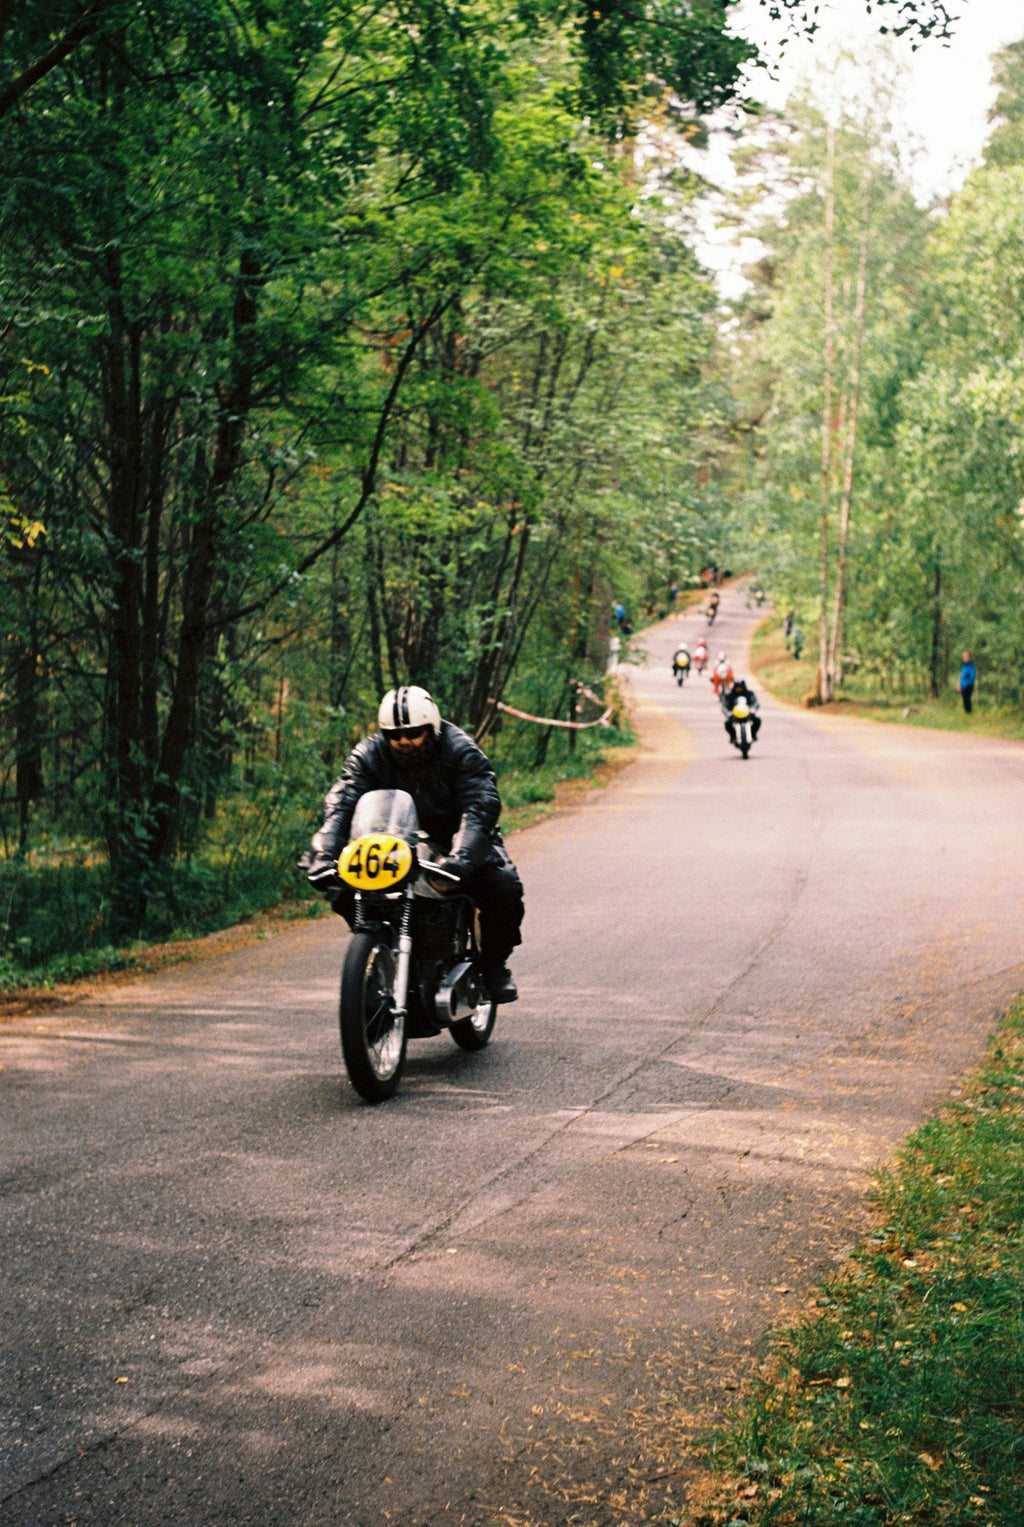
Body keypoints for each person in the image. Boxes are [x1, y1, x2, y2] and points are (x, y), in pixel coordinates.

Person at [304, 686, 524, 1003]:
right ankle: (379, 948)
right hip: (392, 840)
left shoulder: (461, 750)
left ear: (431, 728)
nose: (403, 741)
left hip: (458, 839)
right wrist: (324, 852)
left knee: (503, 888)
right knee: (341, 887)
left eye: (413, 733)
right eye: (394, 735)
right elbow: (342, 801)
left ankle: (493, 966)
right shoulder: (369, 754)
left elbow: (480, 805)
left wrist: (461, 858)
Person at [721, 676, 762, 745]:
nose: (739, 689)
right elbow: (724, 706)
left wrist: (753, 710)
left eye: (740, 687)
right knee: (727, 723)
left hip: (747, 713)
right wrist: (728, 713)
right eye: (737, 687)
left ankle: (753, 734)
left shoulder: (749, 693)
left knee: (757, 720)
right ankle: (733, 736)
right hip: (734, 714)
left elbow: (755, 703)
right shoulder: (729, 695)